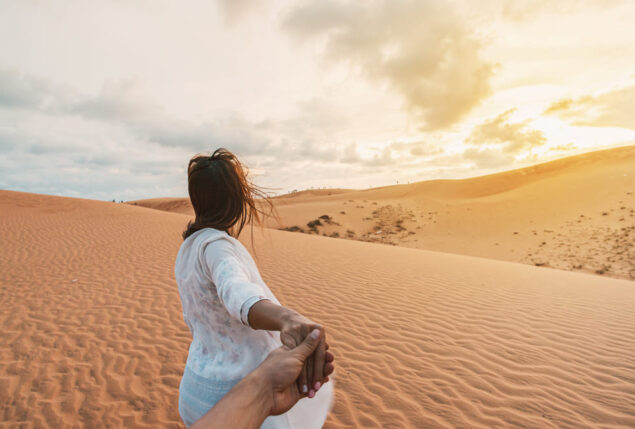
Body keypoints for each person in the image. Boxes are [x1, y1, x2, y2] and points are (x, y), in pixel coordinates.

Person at [174, 148, 334, 428]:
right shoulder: (217, 248)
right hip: (241, 397)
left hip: (196, 391)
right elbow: (237, 294)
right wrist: (288, 318)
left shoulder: (188, 249)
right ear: (236, 201)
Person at [192, 328, 334, 429]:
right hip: (230, 394)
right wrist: (289, 319)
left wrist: (266, 392)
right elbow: (239, 294)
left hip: (196, 379)